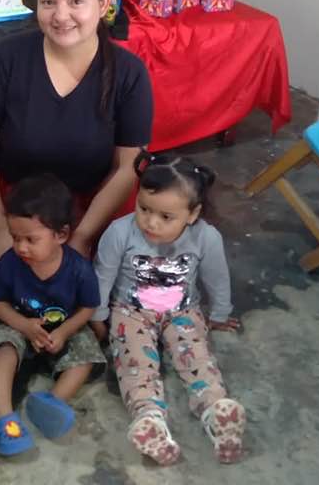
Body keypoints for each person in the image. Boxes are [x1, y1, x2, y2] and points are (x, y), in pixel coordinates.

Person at [0, 0, 153, 265]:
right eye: (48, 1)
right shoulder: (5, 59)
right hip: (12, 209)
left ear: (104, 2)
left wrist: (82, 237)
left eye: (76, 1)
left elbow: (129, 166)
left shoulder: (129, 73)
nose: (61, 16)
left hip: (93, 208)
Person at [91, 151, 245, 466]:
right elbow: (102, 275)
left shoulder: (206, 237)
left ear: (192, 214)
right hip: (130, 312)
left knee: (197, 357)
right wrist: (98, 316)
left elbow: (217, 277)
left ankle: (216, 412)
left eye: (165, 216)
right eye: (144, 208)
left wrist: (219, 314)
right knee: (134, 363)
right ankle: (149, 419)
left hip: (183, 311)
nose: (151, 222)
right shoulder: (119, 232)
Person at [0, 174, 107, 456]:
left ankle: (53, 402)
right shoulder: (11, 263)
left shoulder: (78, 269)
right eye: (15, 238)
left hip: (62, 327)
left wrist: (64, 332)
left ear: (61, 235)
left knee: (87, 353)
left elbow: (87, 307)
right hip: (18, 321)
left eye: (31, 239)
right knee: (3, 345)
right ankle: (2, 414)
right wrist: (23, 325)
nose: (21, 247)